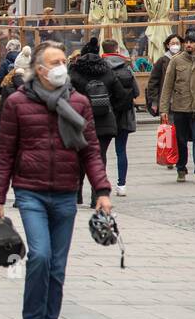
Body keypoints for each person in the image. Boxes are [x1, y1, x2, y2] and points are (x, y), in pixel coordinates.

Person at [0, 41, 112, 319]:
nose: (61, 67)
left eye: (63, 61)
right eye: (54, 62)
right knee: (40, 256)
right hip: (30, 191)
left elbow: (90, 150)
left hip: (64, 195)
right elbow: (6, 154)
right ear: (40, 70)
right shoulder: (17, 103)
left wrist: (102, 191)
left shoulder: (79, 103)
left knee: (57, 267)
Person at [69, 46, 122, 206]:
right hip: (105, 121)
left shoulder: (75, 73)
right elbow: (121, 95)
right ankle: (96, 197)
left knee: (80, 158)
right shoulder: (108, 72)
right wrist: (110, 106)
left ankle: (77, 194)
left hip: (81, 121)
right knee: (100, 158)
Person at [158, 29, 195, 183]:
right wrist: (163, 110)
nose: (188, 45)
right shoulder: (176, 60)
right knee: (181, 140)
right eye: (186, 42)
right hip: (180, 107)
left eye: (192, 42)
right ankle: (181, 168)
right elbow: (167, 86)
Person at [100, 38, 138, 196]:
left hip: (105, 116)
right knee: (121, 151)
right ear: (116, 50)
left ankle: (102, 183)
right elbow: (136, 92)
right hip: (124, 115)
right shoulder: (127, 68)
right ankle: (121, 185)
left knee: (102, 151)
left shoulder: (100, 68)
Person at [145, 33, 181, 122]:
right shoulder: (162, 61)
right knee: (169, 131)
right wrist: (154, 101)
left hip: (183, 102)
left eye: (177, 43)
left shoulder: (184, 60)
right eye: (173, 43)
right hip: (168, 103)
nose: (175, 46)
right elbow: (153, 82)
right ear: (168, 45)